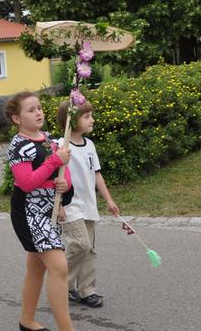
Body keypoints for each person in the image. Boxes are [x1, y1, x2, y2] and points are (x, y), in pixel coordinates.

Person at [5, 92, 74, 331]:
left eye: (40, 108)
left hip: (50, 209)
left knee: (36, 266)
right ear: (17, 118)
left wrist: (65, 188)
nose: (38, 112)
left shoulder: (49, 140)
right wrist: (54, 161)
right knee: (58, 266)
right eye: (31, 110)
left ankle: (27, 320)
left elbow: (63, 174)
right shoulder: (18, 145)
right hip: (28, 211)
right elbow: (26, 183)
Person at [56, 100, 119, 309]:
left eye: (91, 115)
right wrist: (59, 206)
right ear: (71, 121)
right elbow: (54, 178)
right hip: (70, 206)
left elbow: (97, 174)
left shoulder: (90, 145)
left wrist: (109, 200)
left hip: (89, 206)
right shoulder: (61, 146)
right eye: (86, 116)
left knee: (89, 249)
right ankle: (62, 284)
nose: (92, 119)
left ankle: (87, 291)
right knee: (79, 245)